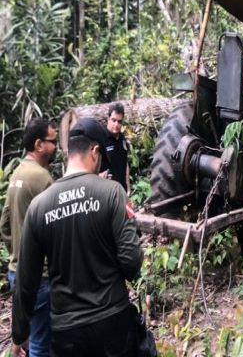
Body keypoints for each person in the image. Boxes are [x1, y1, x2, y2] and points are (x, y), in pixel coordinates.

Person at [11, 117, 144, 357]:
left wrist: (19, 334)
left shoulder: (40, 207)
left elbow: (25, 281)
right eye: (102, 156)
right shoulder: (112, 193)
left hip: (66, 332)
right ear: (95, 151)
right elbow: (132, 262)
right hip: (113, 322)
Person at [0, 117, 57, 357]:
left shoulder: (16, 175)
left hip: (17, 272)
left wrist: (20, 250)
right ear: (38, 144)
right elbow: (57, 230)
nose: (57, 147)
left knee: (30, 338)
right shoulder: (43, 180)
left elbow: (4, 225)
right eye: (53, 142)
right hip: (40, 277)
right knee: (41, 345)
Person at [100, 102, 131, 195]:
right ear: (108, 119)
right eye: (113, 120)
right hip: (106, 192)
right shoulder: (101, 138)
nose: (116, 124)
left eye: (119, 121)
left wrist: (128, 188)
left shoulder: (122, 138)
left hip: (122, 191)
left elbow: (125, 163)